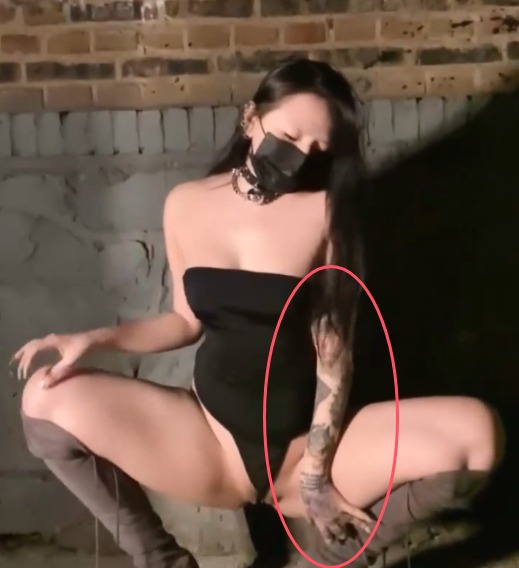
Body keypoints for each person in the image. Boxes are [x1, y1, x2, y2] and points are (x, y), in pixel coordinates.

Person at [13, 58, 505, 568]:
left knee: (478, 434)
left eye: (318, 149)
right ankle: (161, 561)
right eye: (290, 136)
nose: (300, 156)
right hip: (209, 441)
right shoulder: (186, 204)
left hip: (303, 453)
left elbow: (334, 352)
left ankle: (341, 555)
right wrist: (94, 340)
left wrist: (315, 473)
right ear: (251, 118)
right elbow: (183, 320)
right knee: (45, 397)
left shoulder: (325, 213)